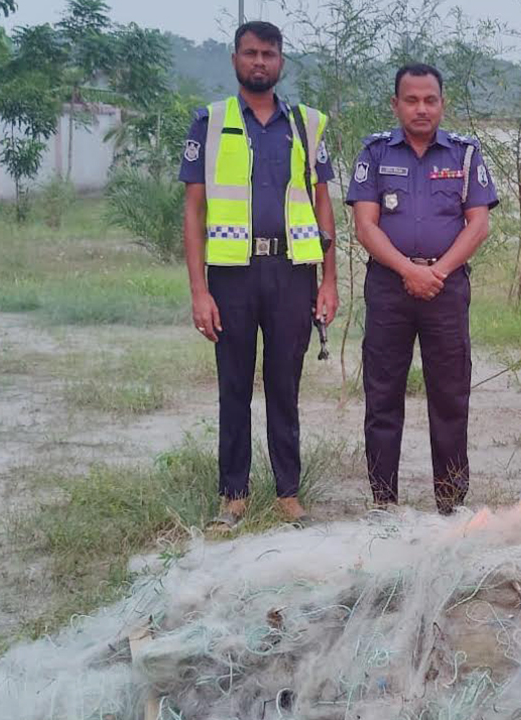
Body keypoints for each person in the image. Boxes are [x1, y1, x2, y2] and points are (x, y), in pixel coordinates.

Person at [180, 21, 338, 529]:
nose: (259, 62)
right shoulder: (210, 121)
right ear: (234, 60)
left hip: (292, 272)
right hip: (232, 274)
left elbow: (321, 204)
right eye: (250, 53)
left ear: (281, 62)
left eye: (268, 54)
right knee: (234, 385)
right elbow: (194, 211)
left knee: (284, 384)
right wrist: (199, 291)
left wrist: (329, 280)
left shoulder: (306, 125)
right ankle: (234, 495)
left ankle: (289, 494)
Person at [346, 63, 498, 515]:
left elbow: (479, 225)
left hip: (445, 290)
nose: (421, 108)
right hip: (389, 289)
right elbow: (365, 225)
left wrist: (437, 272)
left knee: (450, 398)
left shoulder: (465, 154)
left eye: (430, 99)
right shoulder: (373, 153)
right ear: (396, 104)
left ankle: (450, 505)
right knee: (383, 396)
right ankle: (383, 503)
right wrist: (407, 271)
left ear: (442, 104)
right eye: (411, 100)